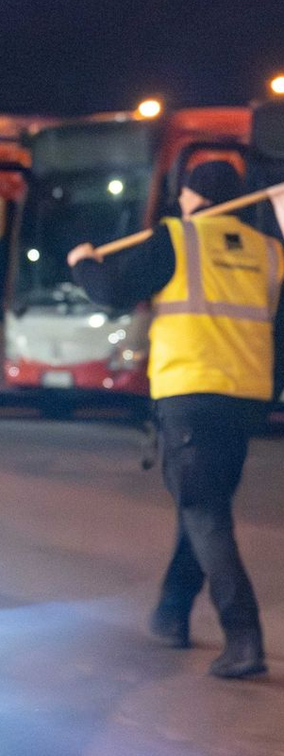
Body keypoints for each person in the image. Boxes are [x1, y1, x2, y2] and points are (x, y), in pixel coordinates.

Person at [67, 160, 284, 679]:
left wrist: (83, 263)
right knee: (203, 505)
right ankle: (171, 613)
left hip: (189, 394)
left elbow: (113, 292)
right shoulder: (270, 251)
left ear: (190, 196)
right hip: (245, 400)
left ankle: (244, 637)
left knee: (204, 511)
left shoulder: (177, 239)